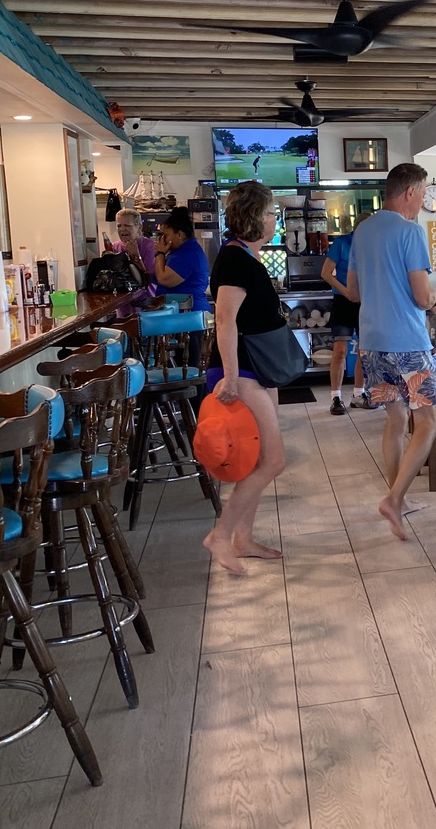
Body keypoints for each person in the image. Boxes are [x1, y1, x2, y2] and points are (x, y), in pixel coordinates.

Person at [347, 163, 436, 542]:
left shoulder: (363, 231)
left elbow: (353, 292)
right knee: (428, 422)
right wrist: (433, 301)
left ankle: (396, 499)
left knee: (396, 422)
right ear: (409, 193)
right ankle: (395, 498)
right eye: (421, 195)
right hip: (409, 345)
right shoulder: (410, 232)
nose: (421, 203)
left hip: (372, 345)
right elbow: (421, 295)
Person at [201, 181, 286, 575]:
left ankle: (243, 539)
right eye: (271, 212)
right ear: (254, 216)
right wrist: (232, 378)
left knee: (257, 461)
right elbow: (225, 320)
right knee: (273, 461)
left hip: (256, 371)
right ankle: (222, 534)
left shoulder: (245, 257)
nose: (274, 220)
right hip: (243, 373)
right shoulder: (235, 260)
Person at [321, 224, 369, 414]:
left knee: (363, 351)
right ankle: (336, 397)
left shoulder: (372, 245)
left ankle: (358, 394)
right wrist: (345, 291)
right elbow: (325, 273)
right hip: (342, 300)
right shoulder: (342, 243)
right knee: (340, 350)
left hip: (365, 301)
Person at [153, 206, 212, 314]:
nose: (163, 240)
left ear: (180, 235)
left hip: (190, 315)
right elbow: (155, 277)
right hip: (178, 313)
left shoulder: (189, 254)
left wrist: (160, 253)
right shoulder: (178, 252)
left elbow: (163, 279)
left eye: (166, 236)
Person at [107, 208, 155, 287]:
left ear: (139, 227)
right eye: (119, 226)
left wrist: (136, 255)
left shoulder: (151, 247)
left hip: (145, 296)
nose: (122, 229)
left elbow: (149, 279)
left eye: (127, 225)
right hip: (122, 295)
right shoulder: (114, 247)